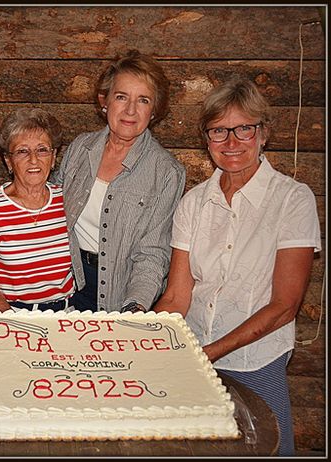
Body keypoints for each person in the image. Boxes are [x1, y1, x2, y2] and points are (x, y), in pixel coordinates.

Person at [153, 78, 321, 456]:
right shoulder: (193, 204)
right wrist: (145, 338)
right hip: (195, 357)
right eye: (219, 131)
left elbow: (284, 306)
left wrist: (212, 351)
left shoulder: (292, 200)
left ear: (264, 134)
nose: (231, 142)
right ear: (206, 138)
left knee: (268, 450)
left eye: (244, 128)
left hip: (256, 362)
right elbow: (178, 295)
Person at [51, 49, 186, 313]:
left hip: (121, 294)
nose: (130, 110)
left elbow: (153, 253)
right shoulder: (81, 148)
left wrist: (135, 307)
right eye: (122, 97)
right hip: (65, 285)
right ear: (105, 101)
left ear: (154, 110)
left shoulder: (167, 172)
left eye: (143, 100)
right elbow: (52, 213)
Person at [0, 108, 75, 312]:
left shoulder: (69, 201)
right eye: (23, 151)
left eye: (42, 150)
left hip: (68, 318)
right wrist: (13, 322)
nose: (33, 159)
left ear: (53, 157)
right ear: (8, 160)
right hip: (14, 318)